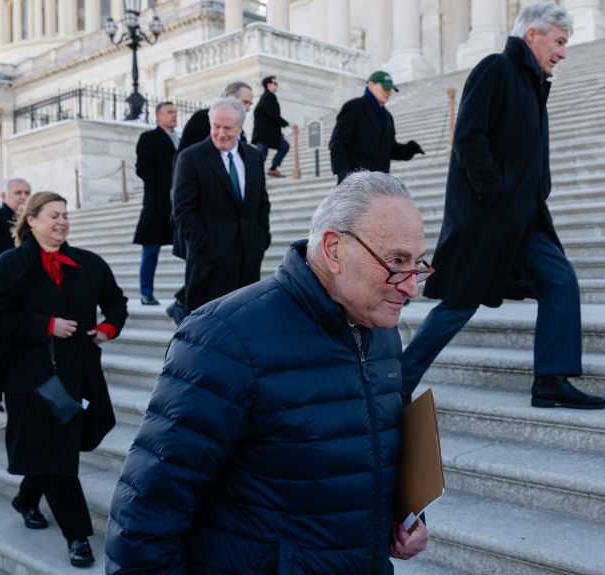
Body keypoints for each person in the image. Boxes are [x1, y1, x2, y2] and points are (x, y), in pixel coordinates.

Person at [106, 172, 431, 573]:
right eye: (397, 262)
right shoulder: (224, 336)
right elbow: (146, 515)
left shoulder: (381, 331)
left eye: (417, 264)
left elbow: (372, 451)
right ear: (333, 249)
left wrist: (404, 514)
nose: (412, 287)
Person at [402, 4, 605, 410]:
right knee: (459, 303)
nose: (563, 53)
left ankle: (550, 379)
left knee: (558, 280)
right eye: (560, 41)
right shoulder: (496, 68)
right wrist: (494, 196)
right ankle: (395, 383)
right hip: (490, 218)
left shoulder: (533, 83)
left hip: (524, 220)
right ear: (533, 34)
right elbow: (469, 138)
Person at [0, 192, 127, 569]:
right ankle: (78, 535)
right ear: (30, 220)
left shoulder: (88, 263)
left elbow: (116, 301)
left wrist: (106, 328)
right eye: (53, 215)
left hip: (77, 374)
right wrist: (45, 325)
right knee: (58, 456)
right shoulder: (9, 264)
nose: (62, 221)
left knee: (55, 449)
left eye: (65, 215)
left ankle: (27, 498)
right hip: (27, 377)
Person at [172, 97, 271, 314]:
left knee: (244, 322)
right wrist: (204, 246)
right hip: (208, 263)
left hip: (248, 260)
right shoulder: (191, 158)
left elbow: (262, 202)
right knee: (206, 328)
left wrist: (261, 239)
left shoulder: (254, 156)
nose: (221, 133)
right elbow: (183, 210)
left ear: (240, 127)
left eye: (228, 128)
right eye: (216, 126)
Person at [329, 70, 425, 183]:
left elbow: (390, 149)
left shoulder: (387, 117)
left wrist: (408, 150)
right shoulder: (353, 107)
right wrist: (343, 174)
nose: (388, 92)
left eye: (390, 89)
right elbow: (337, 143)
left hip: (379, 185)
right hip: (355, 183)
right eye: (384, 88)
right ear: (371, 85)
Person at [133, 101, 178, 306]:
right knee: (151, 251)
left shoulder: (180, 139)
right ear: (158, 116)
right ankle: (146, 293)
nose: (174, 116)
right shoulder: (148, 138)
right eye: (169, 112)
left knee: (195, 247)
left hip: (180, 202)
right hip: (157, 203)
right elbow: (141, 168)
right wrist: (163, 186)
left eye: (175, 112)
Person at [252, 75, 291, 178]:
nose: (276, 86)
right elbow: (273, 115)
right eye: (275, 83)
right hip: (264, 134)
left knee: (284, 146)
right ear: (268, 85)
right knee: (261, 157)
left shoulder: (268, 97)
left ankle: (273, 168)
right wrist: (288, 124)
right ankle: (255, 177)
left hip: (269, 133)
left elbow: (271, 117)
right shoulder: (268, 97)